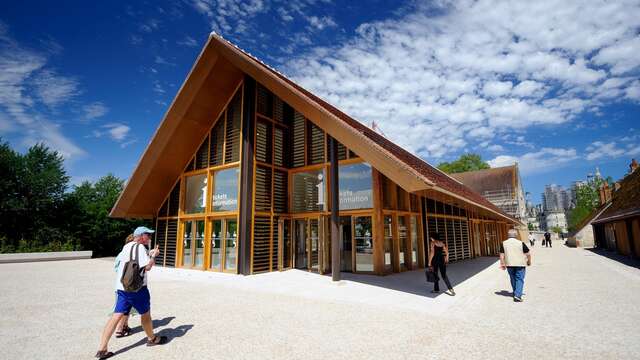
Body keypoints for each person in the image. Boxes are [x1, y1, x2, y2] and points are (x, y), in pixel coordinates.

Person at [95, 226, 167, 359]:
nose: (150, 238)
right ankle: (152, 339)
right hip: (137, 289)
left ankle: (102, 348)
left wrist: (148, 254)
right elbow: (148, 267)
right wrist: (153, 256)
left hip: (122, 287)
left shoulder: (127, 246)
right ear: (140, 235)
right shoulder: (139, 247)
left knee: (116, 315)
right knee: (145, 314)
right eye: (148, 235)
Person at [499, 229, 532, 302]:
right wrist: (529, 261)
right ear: (516, 235)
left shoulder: (503, 243)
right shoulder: (521, 243)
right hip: (520, 264)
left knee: (513, 278)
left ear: (508, 235)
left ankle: (515, 292)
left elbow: (501, 255)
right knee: (519, 279)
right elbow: (528, 254)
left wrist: (502, 263)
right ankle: (517, 295)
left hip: (509, 264)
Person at [114, 234, 135, 338]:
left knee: (125, 308)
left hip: (119, 285)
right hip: (126, 285)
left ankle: (125, 326)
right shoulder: (129, 254)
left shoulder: (121, 253)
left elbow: (116, 267)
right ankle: (119, 329)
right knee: (123, 309)